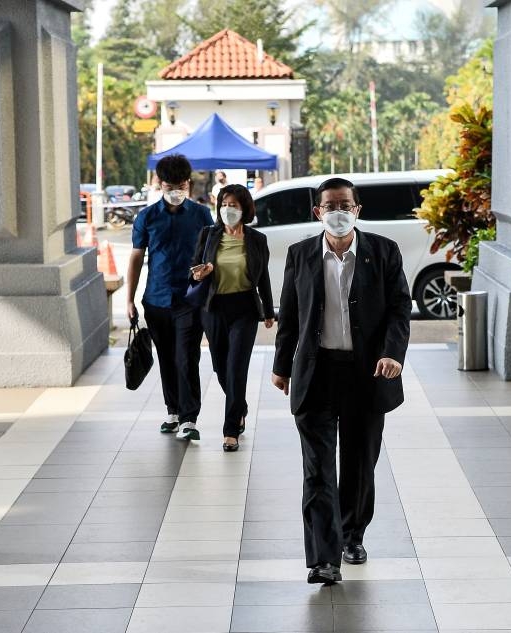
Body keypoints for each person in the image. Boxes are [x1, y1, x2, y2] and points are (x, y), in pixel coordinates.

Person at [271, 177, 411, 585]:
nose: (338, 211)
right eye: (329, 204)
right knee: (317, 470)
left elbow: (400, 307)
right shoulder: (300, 255)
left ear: (357, 210)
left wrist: (392, 353)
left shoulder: (383, 252)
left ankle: (352, 535)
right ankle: (323, 559)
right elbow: (291, 315)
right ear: (317, 212)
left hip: (366, 374)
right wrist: (282, 366)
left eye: (345, 204)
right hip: (316, 373)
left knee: (358, 464)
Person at [127, 154, 214, 441]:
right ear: (159, 184)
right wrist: (130, 299)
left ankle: (190, 418)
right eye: (169, 185)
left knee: (186, 356)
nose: (176, 190)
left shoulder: (201, 215)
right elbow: (137, 258)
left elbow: (212, 253)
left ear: (188, 184)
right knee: (166, 357)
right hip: (156, 299)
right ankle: (173, 411)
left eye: (181, 185)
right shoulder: (147, 217)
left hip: (190, 299)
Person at [190, 184, 275, 452]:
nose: (228, 210)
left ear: (244, 209)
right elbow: (193, 271)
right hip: (213, 308)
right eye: (224, 204)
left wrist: (269, 312)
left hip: (245, 309)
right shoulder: (208, 235)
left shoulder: (257, 240)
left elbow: (263, 278)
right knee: (220, 367)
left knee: (237, 368)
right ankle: (240, 406)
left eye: (234, 205)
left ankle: (231, 431)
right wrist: (200, 273)